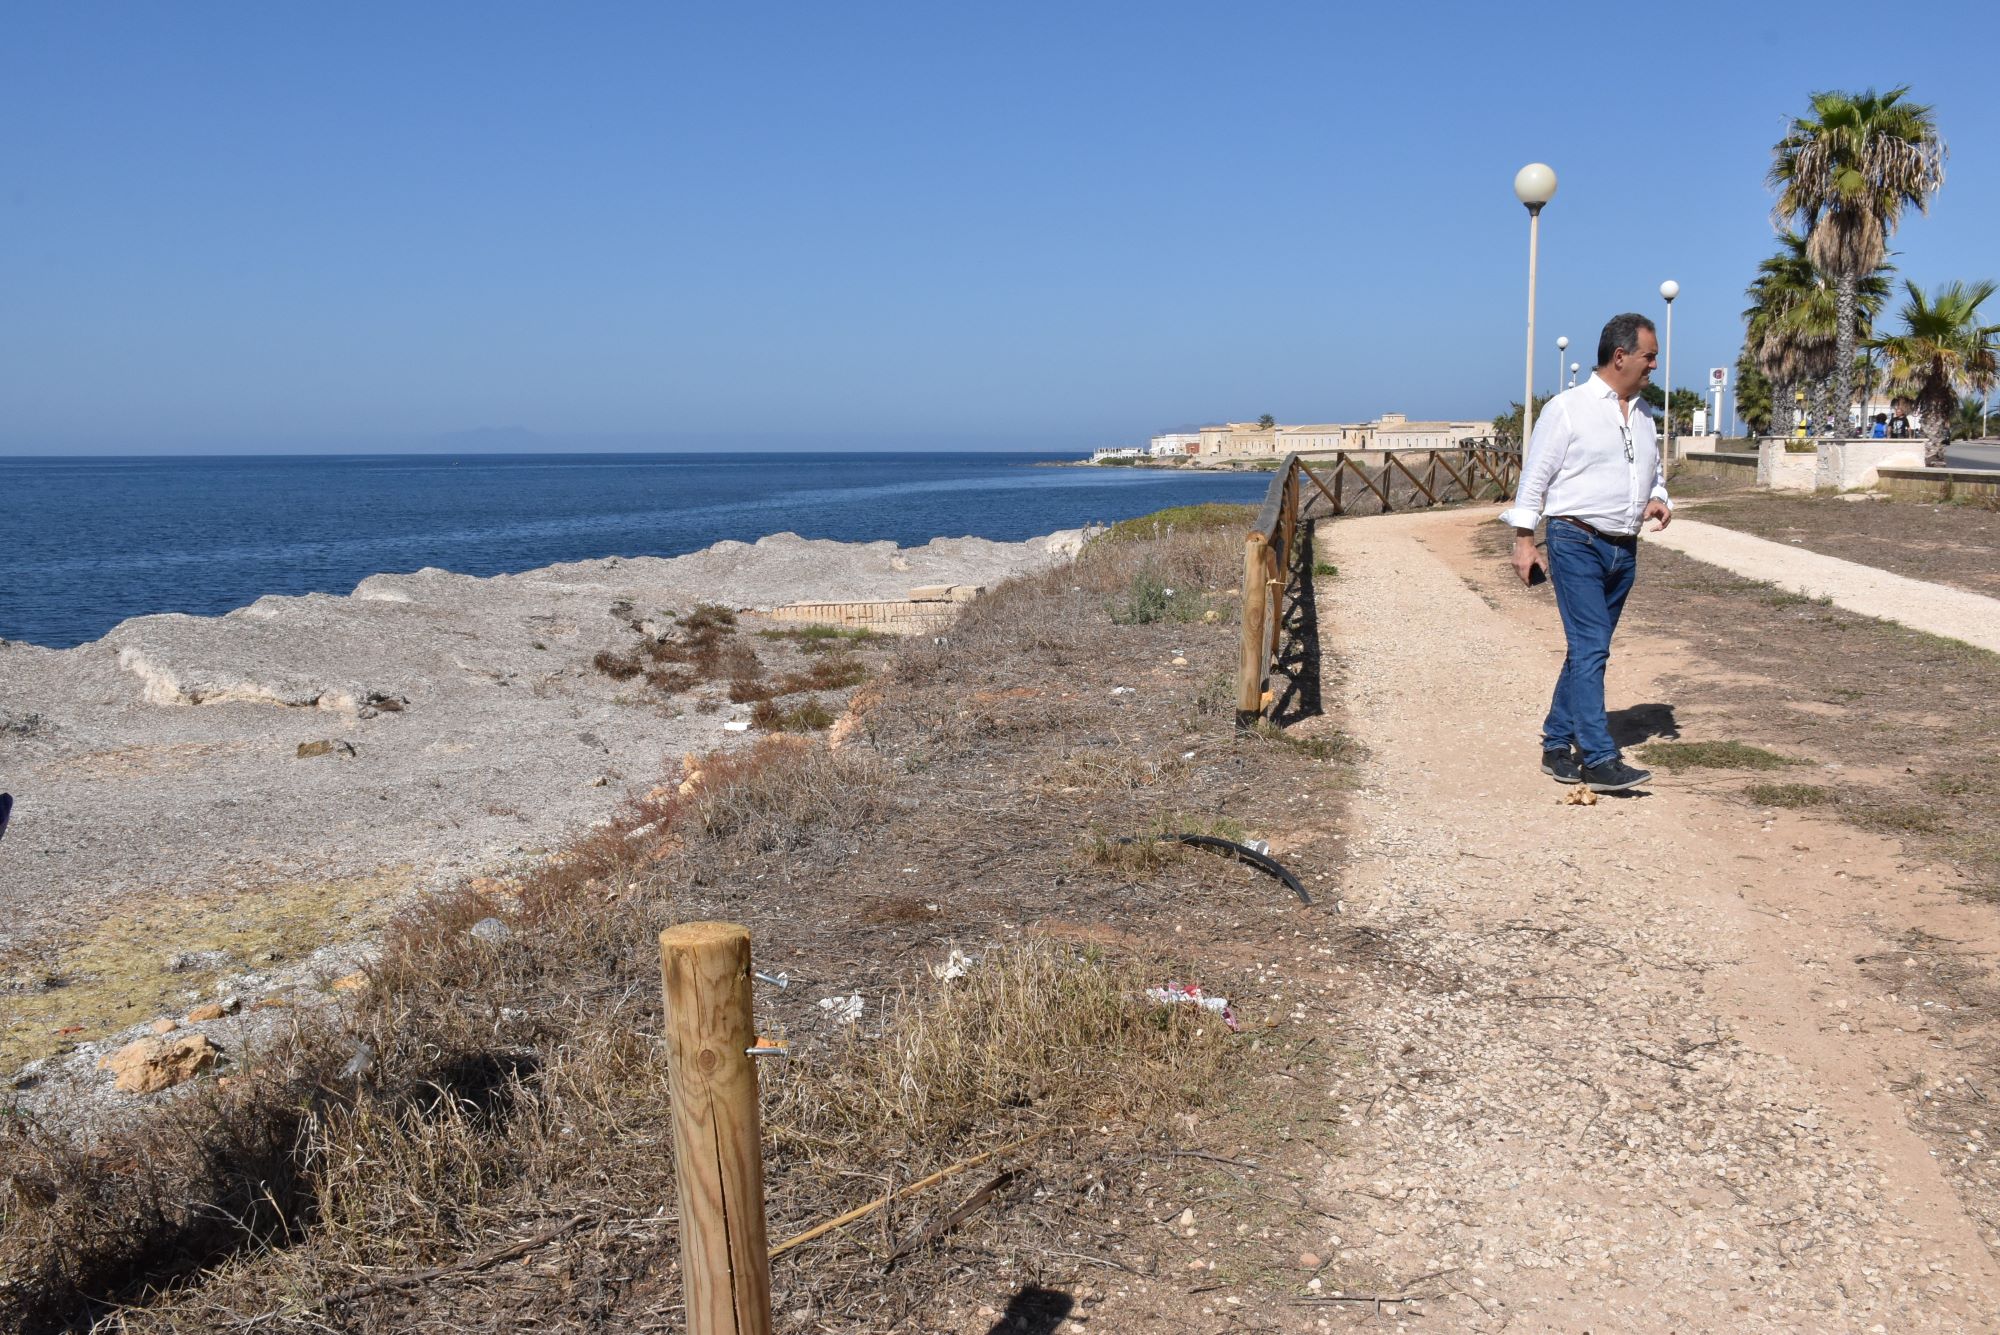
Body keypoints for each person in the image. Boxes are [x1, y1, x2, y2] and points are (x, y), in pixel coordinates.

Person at [1502, 312, 1673, 794]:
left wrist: (1659, 498)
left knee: (1586, 649)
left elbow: (1654, 474)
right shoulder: (1568, 408)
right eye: (1649, 356)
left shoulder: (1642, 415)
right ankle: (1598, 757)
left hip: (1624, 549)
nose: (1654, 365)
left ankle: (1557, 743)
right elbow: (1534, 477)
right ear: (1621, 356)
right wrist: (1523, 540)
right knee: (1592, 647)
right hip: (1575, 540)